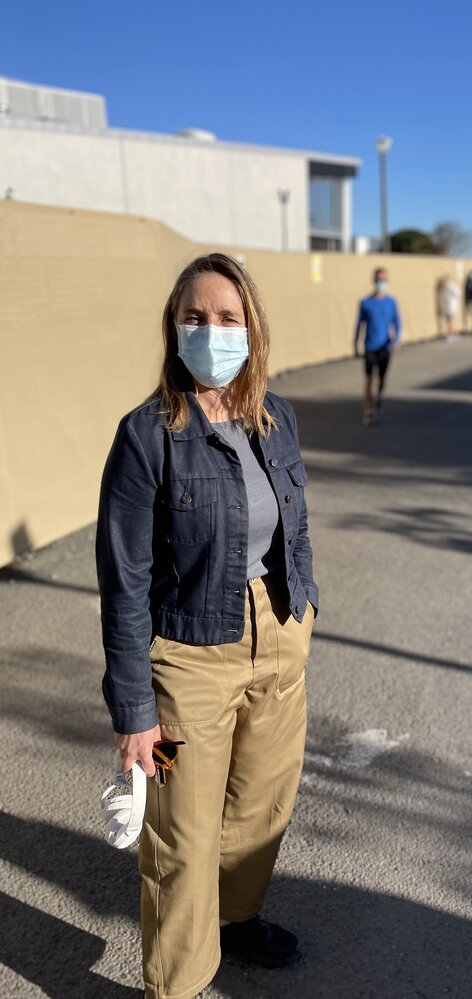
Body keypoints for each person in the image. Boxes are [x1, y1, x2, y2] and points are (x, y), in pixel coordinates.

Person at [96, 253, 318, 999]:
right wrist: (133, 712)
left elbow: (296, 524)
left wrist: (304, 609)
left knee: (261, 806)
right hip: (188, 655)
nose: (211, 330)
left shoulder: (276, 415)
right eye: (195, 316)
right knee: (182, 838)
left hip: (278, 636)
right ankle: (178, 986)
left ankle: (236, 918)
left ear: (251, 328)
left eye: (227, 317)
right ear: (173, 326)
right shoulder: (146, 434)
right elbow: (123, 577)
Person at [354, 267, 401, 426]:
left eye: (384, 280)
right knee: (368, 379)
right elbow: (359, 324)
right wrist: (355, 343)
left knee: (381, 378)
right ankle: (368, 411)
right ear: (374, 280)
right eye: (378, 279)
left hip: (385, 346)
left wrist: (396, 340)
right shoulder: (366, 303)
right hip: (370, 346)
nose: (381, 282)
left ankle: (379, 396)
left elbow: (397, 322)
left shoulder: (391, 302)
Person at [435, 275, 461, 339]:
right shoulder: (450, 286)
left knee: (449, 321)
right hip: (451, 306)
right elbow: (458, 293)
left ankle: (451, 333)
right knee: (450, 321)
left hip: (445, 306)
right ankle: (450, 334)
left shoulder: (440, 288)